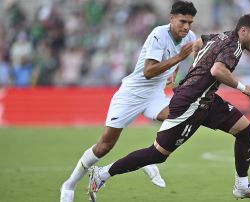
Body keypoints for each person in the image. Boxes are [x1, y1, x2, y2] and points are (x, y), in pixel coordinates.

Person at [87, 13, 250, 201]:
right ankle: (102, 173)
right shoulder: (234, 47)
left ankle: (241, 186)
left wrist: (195, 70)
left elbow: (198, 43)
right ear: (243, 31)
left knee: (246, 130)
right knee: (157, 154)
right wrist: (242, 88)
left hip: (206, 99)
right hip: (190, 103)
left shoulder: (222, 36)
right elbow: (217, 70)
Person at [60, 1, 197, 201]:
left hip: (155, 95)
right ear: (171, 19)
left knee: (180, 115)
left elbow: (177, 61)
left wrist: (173, 73)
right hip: (131, 94)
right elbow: (148, 72)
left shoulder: (189, 37)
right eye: (182, 21)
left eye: (190, 23)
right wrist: (177, 59)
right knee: (104, 146)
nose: (186, 27)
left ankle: (145, 159)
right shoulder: (159, 34)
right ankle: (69, 185)